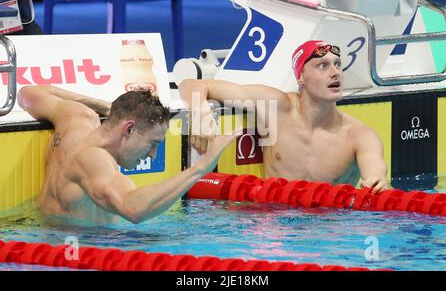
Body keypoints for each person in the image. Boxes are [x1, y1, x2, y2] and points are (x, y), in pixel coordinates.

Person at [179, 40, 388, 194]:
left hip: (331, 234)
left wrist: (377, 182)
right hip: (276, 227)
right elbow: (192, 84)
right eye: (323, 65)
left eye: (338, 64)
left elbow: (376, 178)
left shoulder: (360, 136)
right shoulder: (275, 107)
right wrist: (200, 112)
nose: (336, 73)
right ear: (301, 77)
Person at [17, 85, 239, 224]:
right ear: (129, 129)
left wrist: (107, 106)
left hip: (55, 240)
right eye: (153, 144)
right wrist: (201, 168)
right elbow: (133, 209)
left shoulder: (78, 119)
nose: (153, 155)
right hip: (78, 254)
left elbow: (28, 92)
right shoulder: (92, 159)